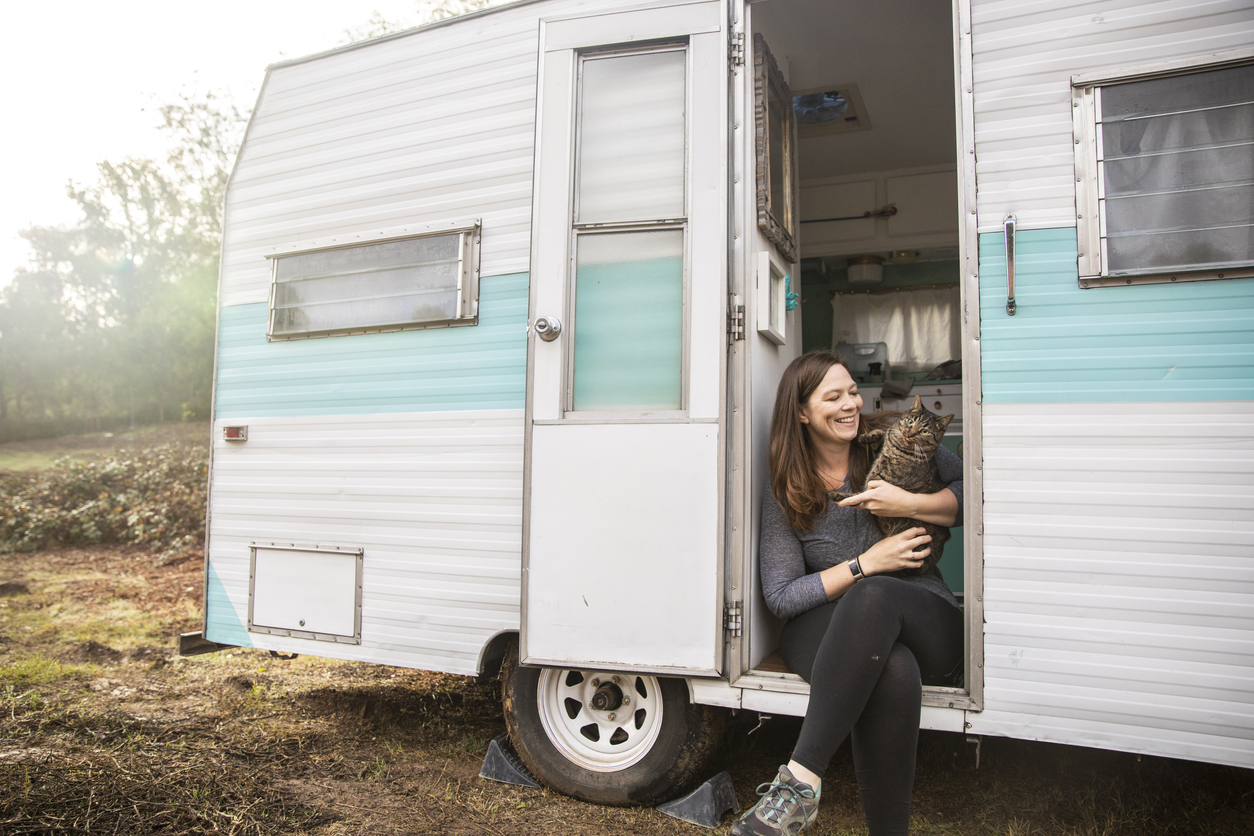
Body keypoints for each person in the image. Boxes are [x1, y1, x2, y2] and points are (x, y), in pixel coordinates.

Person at [730, 349, 964, 836]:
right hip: (839, 624)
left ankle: (799, 780)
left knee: (876, 594)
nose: (849, 405)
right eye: (832, 397)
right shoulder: (787, 490)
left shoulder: (896, 440)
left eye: (853, 392)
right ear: (801, 412)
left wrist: (908, 502)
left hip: (923, 611)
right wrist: (864, 564)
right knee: (892, 665)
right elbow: (781, 595)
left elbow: (974, 491)